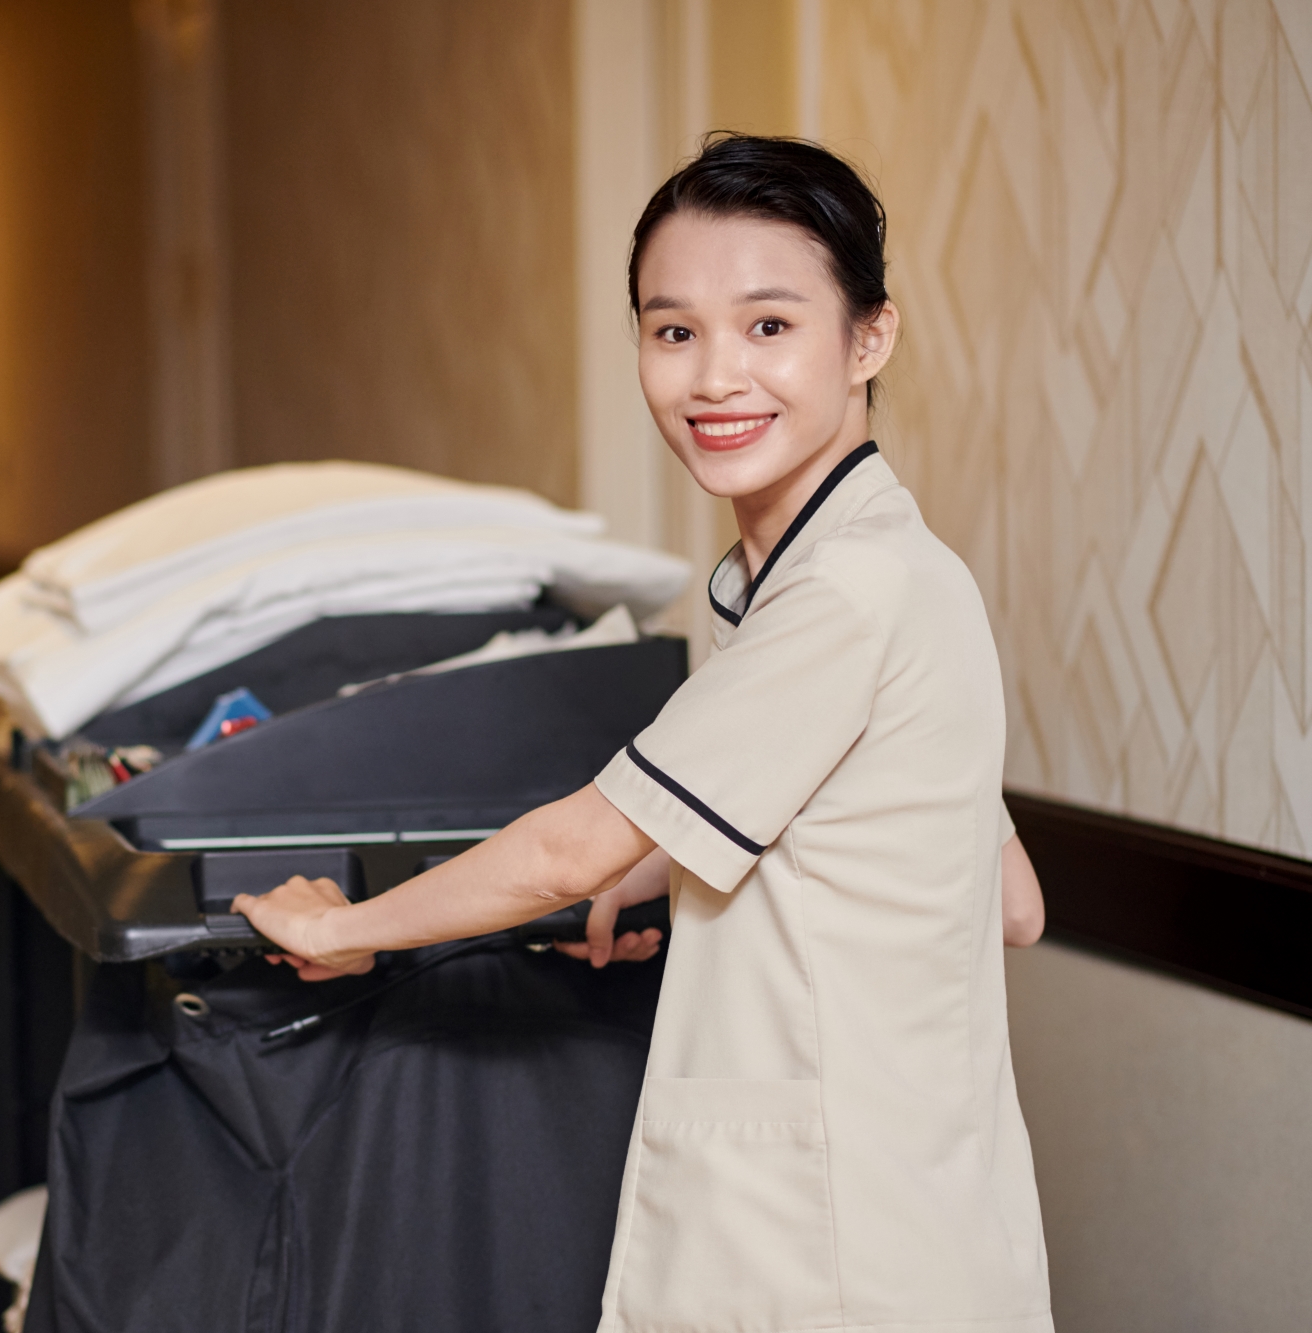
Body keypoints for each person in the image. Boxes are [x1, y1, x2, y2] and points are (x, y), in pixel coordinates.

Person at [235, 135, 1053, 1333]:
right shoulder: (902, 572)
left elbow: (565, 852)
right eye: (673, 332)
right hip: (927, 1219)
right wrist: (678, 867)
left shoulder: (844, 593)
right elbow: (1007, 899)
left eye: (769, 326)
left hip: (825, 1248)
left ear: (868, 337)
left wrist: (345, 929)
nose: (715, 376)